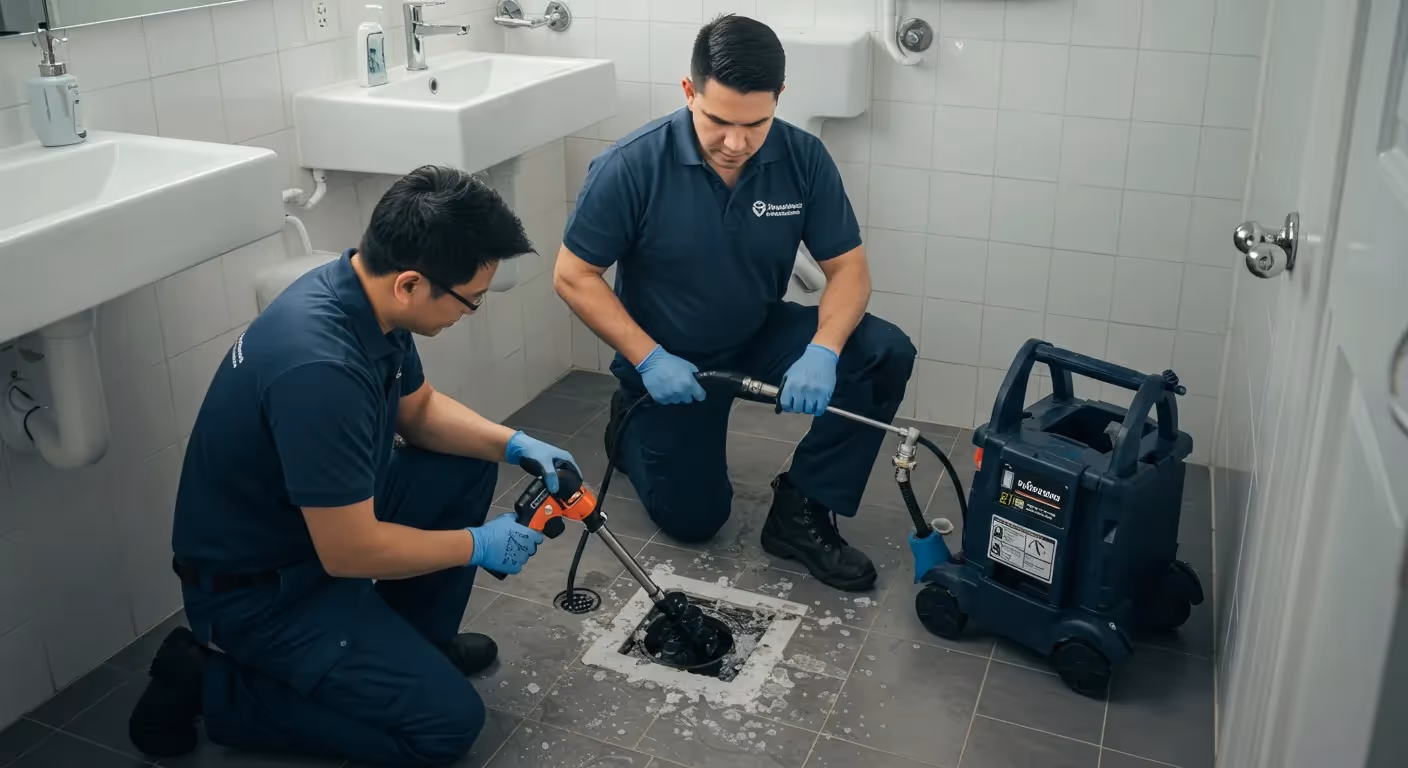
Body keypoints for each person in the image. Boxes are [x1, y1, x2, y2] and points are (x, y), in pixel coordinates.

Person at [127, 166, 575, 767]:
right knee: (445, 729)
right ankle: (210, 684)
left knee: (464, 466)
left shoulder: (364, 296)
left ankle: (416, 650)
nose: (471, 311)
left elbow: (419, 411)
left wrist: (515, 444)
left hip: (309, 529)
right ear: (411, 283)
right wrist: (476, 544)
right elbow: (349, 552)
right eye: (470, 300)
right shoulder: (320, 369)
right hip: (262, 590)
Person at [553, 15, 917, 593]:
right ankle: (631, 426)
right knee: (695, 522)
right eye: (718, 121)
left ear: (779, 99)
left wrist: (824, 350)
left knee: (882, 352)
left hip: (756, 332)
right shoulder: (631, 166)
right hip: (670, 357)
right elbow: (574, 275)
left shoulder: (802, 157)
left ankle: (801, 509)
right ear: (688, 91)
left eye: (755, 124)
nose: (736, 143)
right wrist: (649, 358)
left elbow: (847, 268)